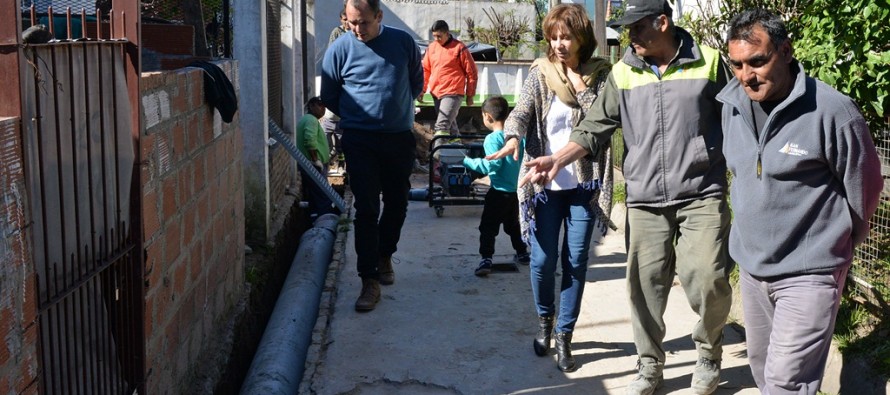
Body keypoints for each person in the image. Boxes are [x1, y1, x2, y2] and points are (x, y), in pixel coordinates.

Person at [505, 0, 733, 392]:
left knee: (708, 277)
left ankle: (709, 355)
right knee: (643, 287)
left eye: (636, 27)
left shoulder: (710, 62)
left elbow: (739, 119)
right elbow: (594, 127)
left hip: (701, 191)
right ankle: (649, 364)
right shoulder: (625, 70)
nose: (628, 36)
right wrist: (557, 160)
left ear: (662, 23)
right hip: (645, 196)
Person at [718, 9, 883, 393]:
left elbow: (866, 188)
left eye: (757, 61)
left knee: (785, 382)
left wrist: (837, 245)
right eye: (738, 64)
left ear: (787, 51)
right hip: (754, 269)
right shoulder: (731, 106)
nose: (746, 75)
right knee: (762, 372)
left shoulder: (831, 112)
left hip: (811, 270)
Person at [487, 3, 614, 373]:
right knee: (542, 262)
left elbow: (602, 120)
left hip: (583, 186)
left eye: (567, 37)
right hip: (545, 186)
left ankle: (565, 335)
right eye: (554, 37)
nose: (559, 44)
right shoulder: (540, 73)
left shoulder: (600, 75)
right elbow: (521, 110)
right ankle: (545, 322)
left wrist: (578, 85)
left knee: (575, 261)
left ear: (581, 39)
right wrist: (512, 137)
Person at [320, 0, 423, 312]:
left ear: (379, 16)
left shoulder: (403, 42)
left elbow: (416, 84)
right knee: (365, 208)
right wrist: (360, 117)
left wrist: (392, 112)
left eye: (363, 22)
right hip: (360, 140)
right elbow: (330, 95)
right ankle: (369, 280)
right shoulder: (339, 49)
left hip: (398, 138)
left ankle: (384, 254)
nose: (356, 29)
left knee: (397, 201)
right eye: (352, 22)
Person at [461, 96, 529, 277]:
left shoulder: (492, 139)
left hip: (498, 192)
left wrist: (468, 162)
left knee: (488, 227)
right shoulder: (519, 137)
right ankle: (522, 252)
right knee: (513, 225)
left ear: (487, 117)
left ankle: (486, 259)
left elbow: (492, 165)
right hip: (516, 192)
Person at [297, 96, 336, 219]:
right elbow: (309, 141)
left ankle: (314, 216)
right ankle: (325, 219)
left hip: (310, 164)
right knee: (323, 194)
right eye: (319, 105)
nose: (323, 109)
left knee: (316, 193)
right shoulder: (311, 120)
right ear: (311, 106)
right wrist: (315, 160)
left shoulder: (307, 119)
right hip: (314, 165)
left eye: (324, 106)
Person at [322, 7, 351, 170]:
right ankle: (332, 158)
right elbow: (332, 53)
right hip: (339, 78)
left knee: (342, 133)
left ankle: (342, 161)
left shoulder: (355, 33)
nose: (347, 22)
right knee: (332, 124)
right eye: (344, 19)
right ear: (341, 19)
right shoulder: (337, 33)